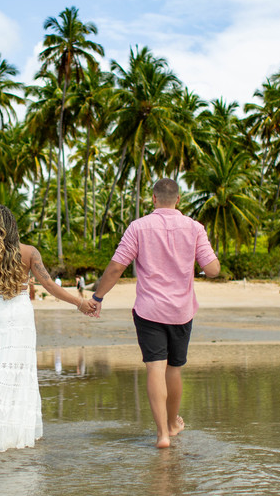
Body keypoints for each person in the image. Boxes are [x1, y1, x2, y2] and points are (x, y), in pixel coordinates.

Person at [83, 178, 219, 448]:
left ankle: (162, 435)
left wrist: (98, 297)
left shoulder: (138, 227)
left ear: (154, 199)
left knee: (155, 368)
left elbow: (116, 267)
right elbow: (213, 269)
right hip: (181, 311)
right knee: (174, 369)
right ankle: (172, 424)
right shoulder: (194, 227)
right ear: (178, 199)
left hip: (149, 311)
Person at [0, 204, 88, 451]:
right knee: (19, 370)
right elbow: (49, 286)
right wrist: (79, 303)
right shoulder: (30, 252)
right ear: (13, 224)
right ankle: (15, 433)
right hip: (21, 313)